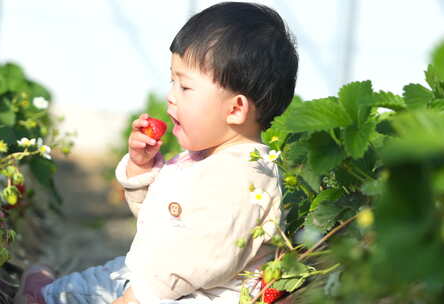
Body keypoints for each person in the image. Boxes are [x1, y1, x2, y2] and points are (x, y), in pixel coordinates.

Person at [15, 2, 298, 303]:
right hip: (157, 277)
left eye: (185, 87)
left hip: (199, 294)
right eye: (172, 81)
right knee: (105, 277)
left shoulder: (245, 177)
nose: (171, 96)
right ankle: (51, 294)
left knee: (112, 284)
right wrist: (141, 168)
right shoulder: (205, 157)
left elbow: (204, 256)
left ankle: (47, 296)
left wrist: (140, 295)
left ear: (236, 108)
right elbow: (159, 220)